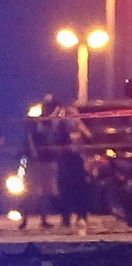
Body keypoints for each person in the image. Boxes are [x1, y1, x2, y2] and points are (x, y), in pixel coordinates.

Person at [20, 95, 62, 229]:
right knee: (32, 191)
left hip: (47, 159)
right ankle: (25, 219)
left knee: (44, 191)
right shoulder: (38, 122)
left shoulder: (50, 122)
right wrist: (34, 154)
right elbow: (32, 138)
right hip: (38, 160)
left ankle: (41, 219)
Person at [55, 106, 93, 230]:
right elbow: (56, 141)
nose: (71, 118)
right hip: (66, 164)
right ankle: (66, 217)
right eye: (69, 115)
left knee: (81, 190)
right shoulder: (61, 130)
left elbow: (90, 139)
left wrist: (81, 127)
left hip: (79, 163)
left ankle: (82, 215)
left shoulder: (80, 128)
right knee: (66, 191)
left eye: (74, 115)